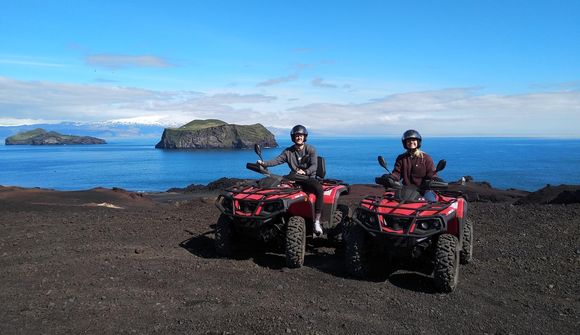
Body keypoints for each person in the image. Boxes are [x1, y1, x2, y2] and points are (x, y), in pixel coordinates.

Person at [257, 125, 324, 236]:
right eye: (297, 135)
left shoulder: (311, 149)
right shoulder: (288, 152)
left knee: (319, 189)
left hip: (308, 179)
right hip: (295, 179)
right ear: (293, 137)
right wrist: (264, 163)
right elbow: (277, 160)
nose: (299, 137)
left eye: (301, 135)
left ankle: (316, 221)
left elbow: (314, 166)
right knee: (276, 187)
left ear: (304, 137)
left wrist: (305, 172)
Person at [391, 129, 438, 202]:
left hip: (423, 191)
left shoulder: (426, 158)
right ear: (405, 143)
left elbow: (432, 174)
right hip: (406, 191)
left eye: (414, 140)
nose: (411, 142)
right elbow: (397, 173)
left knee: (433, 205)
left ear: (418, 142)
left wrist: (435, 180)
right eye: (408, 140)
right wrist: (391, 177)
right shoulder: (401, 158)